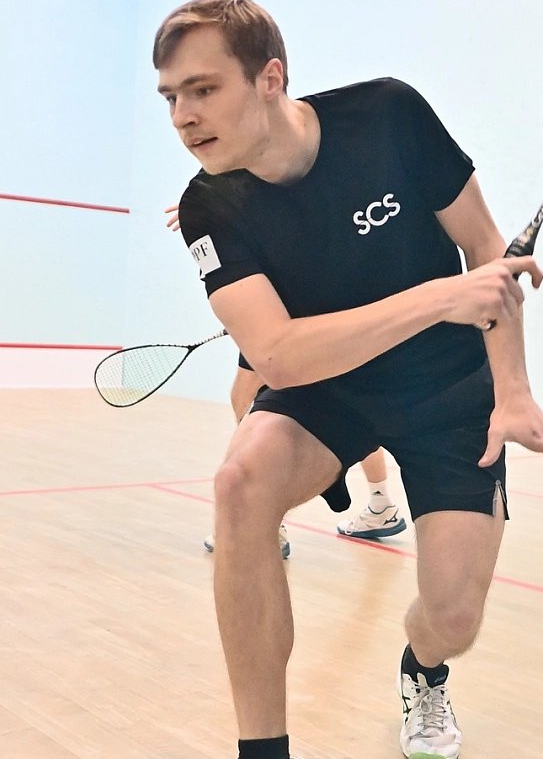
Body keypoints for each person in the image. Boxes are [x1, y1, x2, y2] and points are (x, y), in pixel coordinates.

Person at [145, 0, 543, 759]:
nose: (183, 117)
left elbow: (487, 253)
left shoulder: (391, 116)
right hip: (327, 386)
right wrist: (436, 299)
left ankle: (422, 670)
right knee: (241, 481)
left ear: (269, 78)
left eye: (202, 89)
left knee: (454, 618)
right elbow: (279, 352)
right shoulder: (209, 207)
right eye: (169, 97)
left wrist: (513, 392)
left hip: (449, 394)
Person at [169, 203, 409, 548]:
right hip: (311, 313)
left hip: (297, 320)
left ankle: (265, 519)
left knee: (247, 397)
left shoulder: (271, 200)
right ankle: (381, 501)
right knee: (350, 404)